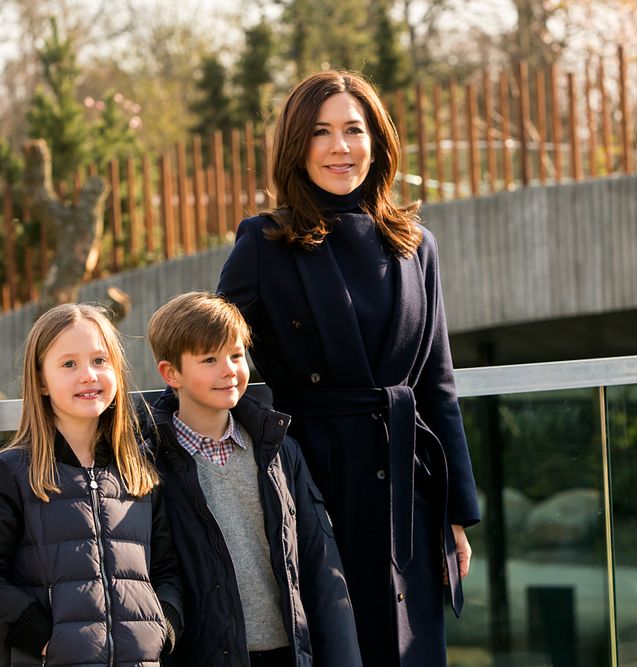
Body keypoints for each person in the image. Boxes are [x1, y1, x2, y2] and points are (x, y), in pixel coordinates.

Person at [217, 70, 481, 666]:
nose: (341, 146)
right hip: (313, 481)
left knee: (411, 649)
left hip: (407, 488)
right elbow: (214, 347)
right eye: (321, 132)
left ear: (377, 141)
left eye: (354, 130)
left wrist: (456, 513)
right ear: (296, 146)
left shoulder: (417, 243)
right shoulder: (263, 242)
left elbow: (437, 382)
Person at [0, 304, 183, 667]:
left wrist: (160, 630)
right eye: (69, 364)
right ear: (41, 380)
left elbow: (168, 571)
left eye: (99, 360)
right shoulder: (8, 474)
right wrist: (46, 640)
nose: (88, 375)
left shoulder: (139, 471)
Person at [144, 291, 361, 667]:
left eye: (236, 355)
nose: (229, 369)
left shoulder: (279, 451)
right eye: (209, 359)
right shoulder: (149, 462)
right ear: (171, 373)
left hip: (288, 653)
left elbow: (320, 564)